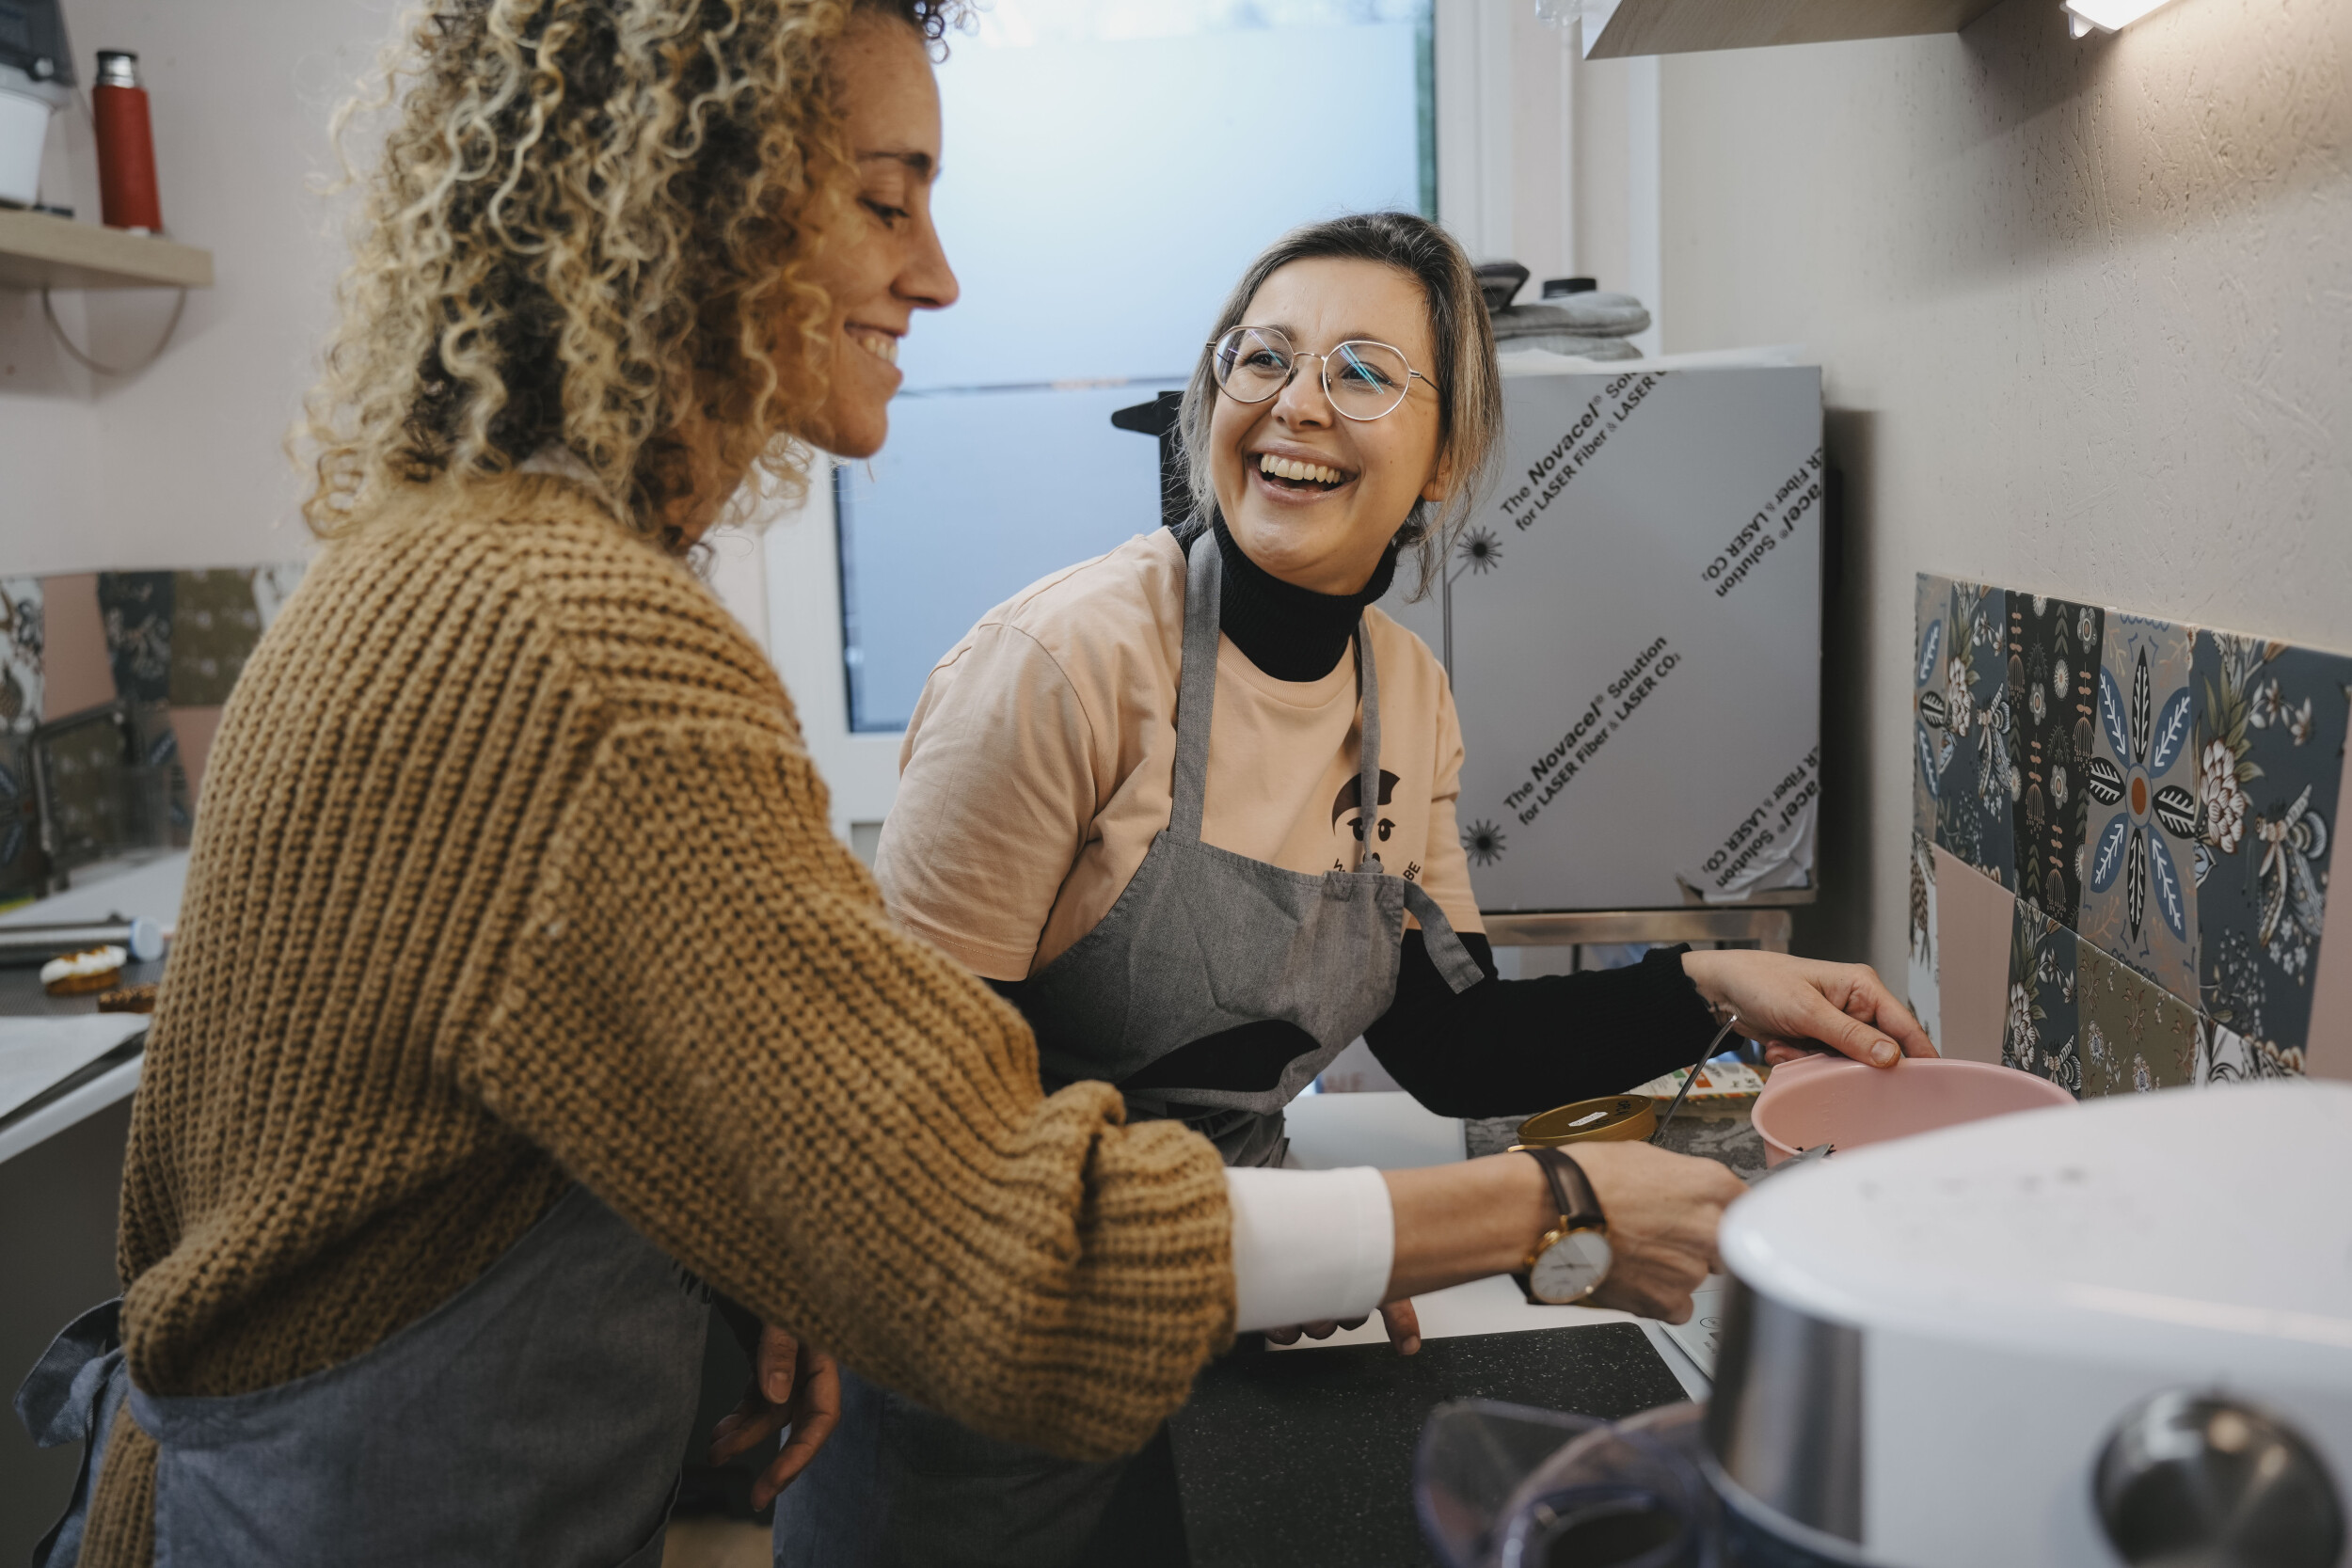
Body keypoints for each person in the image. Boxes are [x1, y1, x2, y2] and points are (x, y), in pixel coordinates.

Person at [13, 8, 1788, 1568]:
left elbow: (647, 1105)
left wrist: (769, 1253)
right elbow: (990, 1241)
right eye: (884, 197)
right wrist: (1549, 1212)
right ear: (685, 199)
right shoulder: (591, 660)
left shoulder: (455, 572)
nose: (936, 273)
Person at [773, 213, 1934, 1564]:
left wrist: (1712, 989)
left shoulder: (1406, 699)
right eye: (1260, 358)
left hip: (1207, 1318)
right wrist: (1337, 1238)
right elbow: (905, 1130)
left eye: (1364, 371)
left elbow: (1451, 1041)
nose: (1297, 405)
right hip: (969, 1374)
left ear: (1446, 457)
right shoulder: (1068, 665)